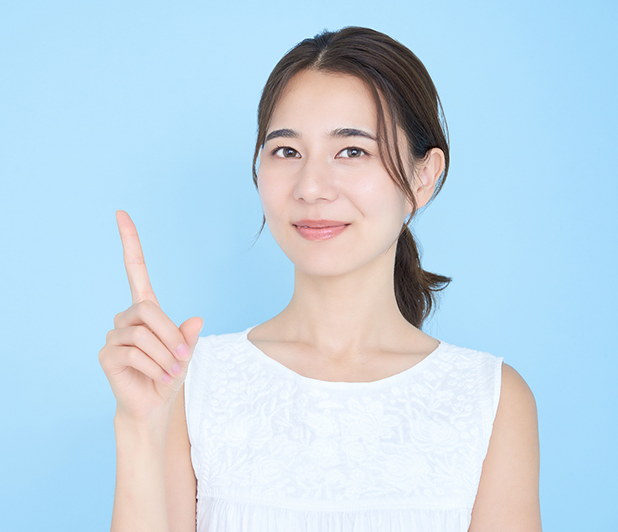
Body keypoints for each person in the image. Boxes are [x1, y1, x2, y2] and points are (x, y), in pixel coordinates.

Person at [99, 27, 541, 532]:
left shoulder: (490, 400)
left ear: (423, 177)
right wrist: (138, 426)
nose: (311, 187)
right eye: (286, 151)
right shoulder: (188, 383)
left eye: (352, 151)